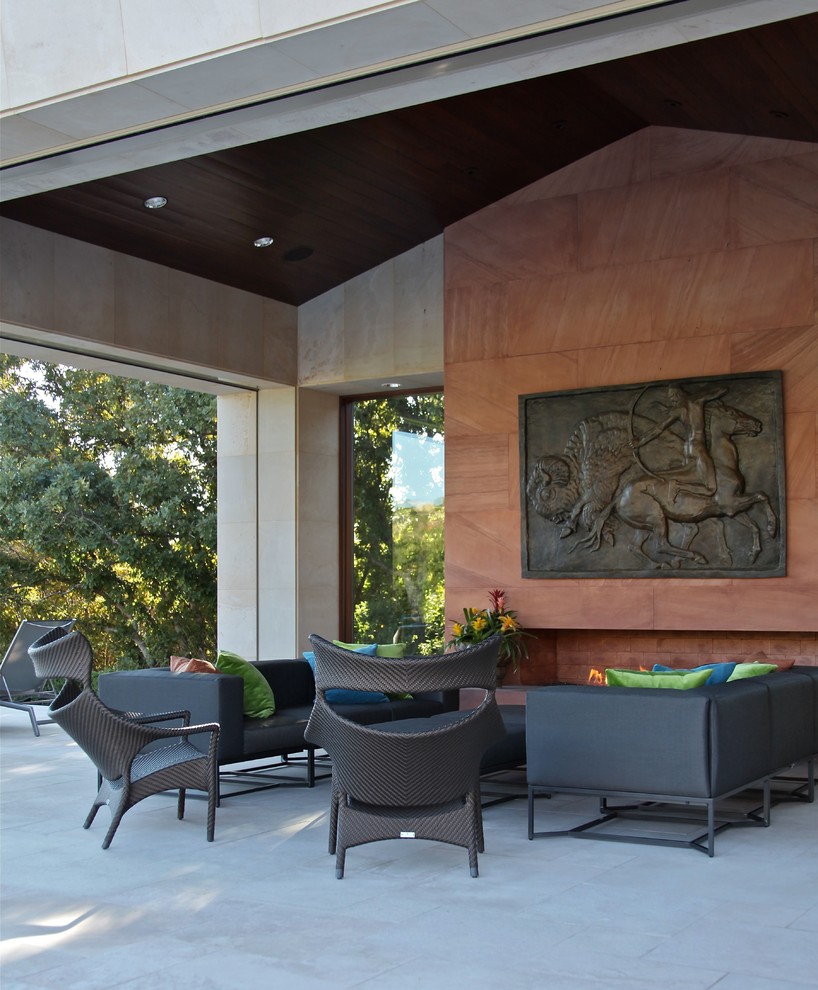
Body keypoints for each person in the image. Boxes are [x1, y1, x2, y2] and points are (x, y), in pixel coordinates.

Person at [629, 383, 727, 500]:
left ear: (678, 394)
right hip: (698, 447)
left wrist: (640, 441)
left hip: (688, 449)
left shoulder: (678, 409)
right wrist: (708, 393)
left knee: (691, 476)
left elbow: (659, 428)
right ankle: (678, 486)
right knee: (711, 489)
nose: (672, 402)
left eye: (672, 399)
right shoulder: (696, 400)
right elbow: (722, 389)